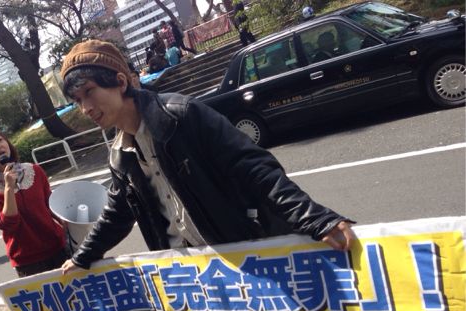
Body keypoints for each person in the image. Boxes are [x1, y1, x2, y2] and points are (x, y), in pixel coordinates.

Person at [58, 40, 356, 276]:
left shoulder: (181, 115)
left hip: (237, 257)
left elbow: (253, 167)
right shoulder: (119, 156)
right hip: (189, 275)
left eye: (89, 92)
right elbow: (117, 212)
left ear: (121, 82)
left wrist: (313, 217)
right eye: (78, 100)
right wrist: (82, 257)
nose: (85, 108)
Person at [0, 125, 67, 277]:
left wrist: (70, 226)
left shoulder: (34, 170)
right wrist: (9, 187)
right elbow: (8, 224)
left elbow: (51, 204)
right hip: (28, 261)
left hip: (59, 247)